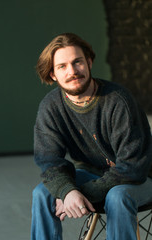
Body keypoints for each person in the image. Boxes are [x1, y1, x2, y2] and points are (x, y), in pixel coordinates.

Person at [31, 33, 152, 240]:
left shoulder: (118, 101)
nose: (72, 71)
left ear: (89, 62)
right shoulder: (51, 107)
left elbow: (132, 167)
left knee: (117, 196)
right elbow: (49, 161)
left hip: (141, 178)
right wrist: (67, 191)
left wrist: (81, 193)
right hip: (92, 173)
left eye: (77, 62)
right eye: (62, 66)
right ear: (53, 74)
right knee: (42, 193)